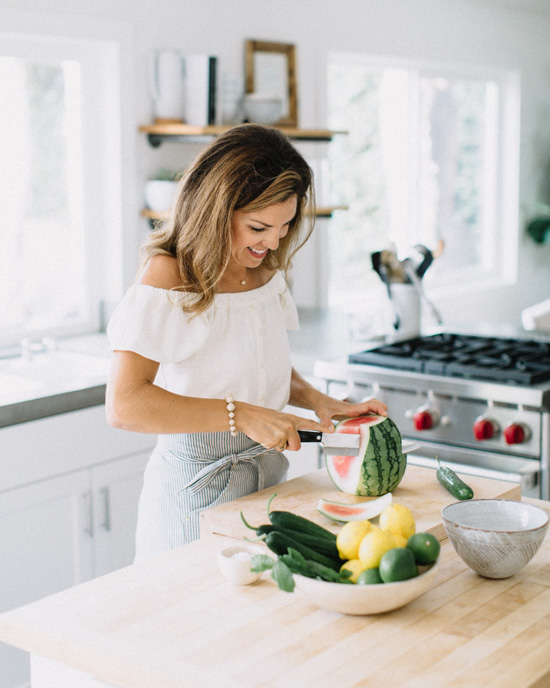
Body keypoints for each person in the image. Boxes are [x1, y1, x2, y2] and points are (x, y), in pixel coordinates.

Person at [105, 123, 387, 561]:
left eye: (285, 225)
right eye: (258, 226)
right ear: (217, 209)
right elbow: (124, 405)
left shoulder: (262, 267)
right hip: (194, 493)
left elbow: (260, 356)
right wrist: (243, 416)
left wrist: (317, 399)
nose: (273, 241)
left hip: (269, 483)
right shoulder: (169, 275)